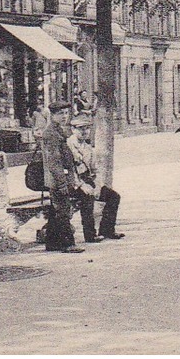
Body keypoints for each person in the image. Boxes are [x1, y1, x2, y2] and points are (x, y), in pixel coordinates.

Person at [68, 114, 125, 242]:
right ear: (73, 129)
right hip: (73, 183)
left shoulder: (88, 148)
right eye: (80, 128)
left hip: (88, 181)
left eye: (87, 128)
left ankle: (107, 230)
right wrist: (82, 185)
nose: (84, 131)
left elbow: (95, 170)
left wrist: (98, 186)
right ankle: (90, 235)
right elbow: (70, 171)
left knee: (113, 196)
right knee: (87, 197)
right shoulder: (69, 146)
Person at [38, 102, 83, 253]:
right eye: (60, 114)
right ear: (52, 115)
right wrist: (62, 183)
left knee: (56, 209)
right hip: (57, 178)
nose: (64, 116)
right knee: (63, 209)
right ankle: (67, 244)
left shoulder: (58, 130)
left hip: (58, 177)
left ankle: (52, 243)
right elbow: (54, 161)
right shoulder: (51, 133)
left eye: (66, 113)